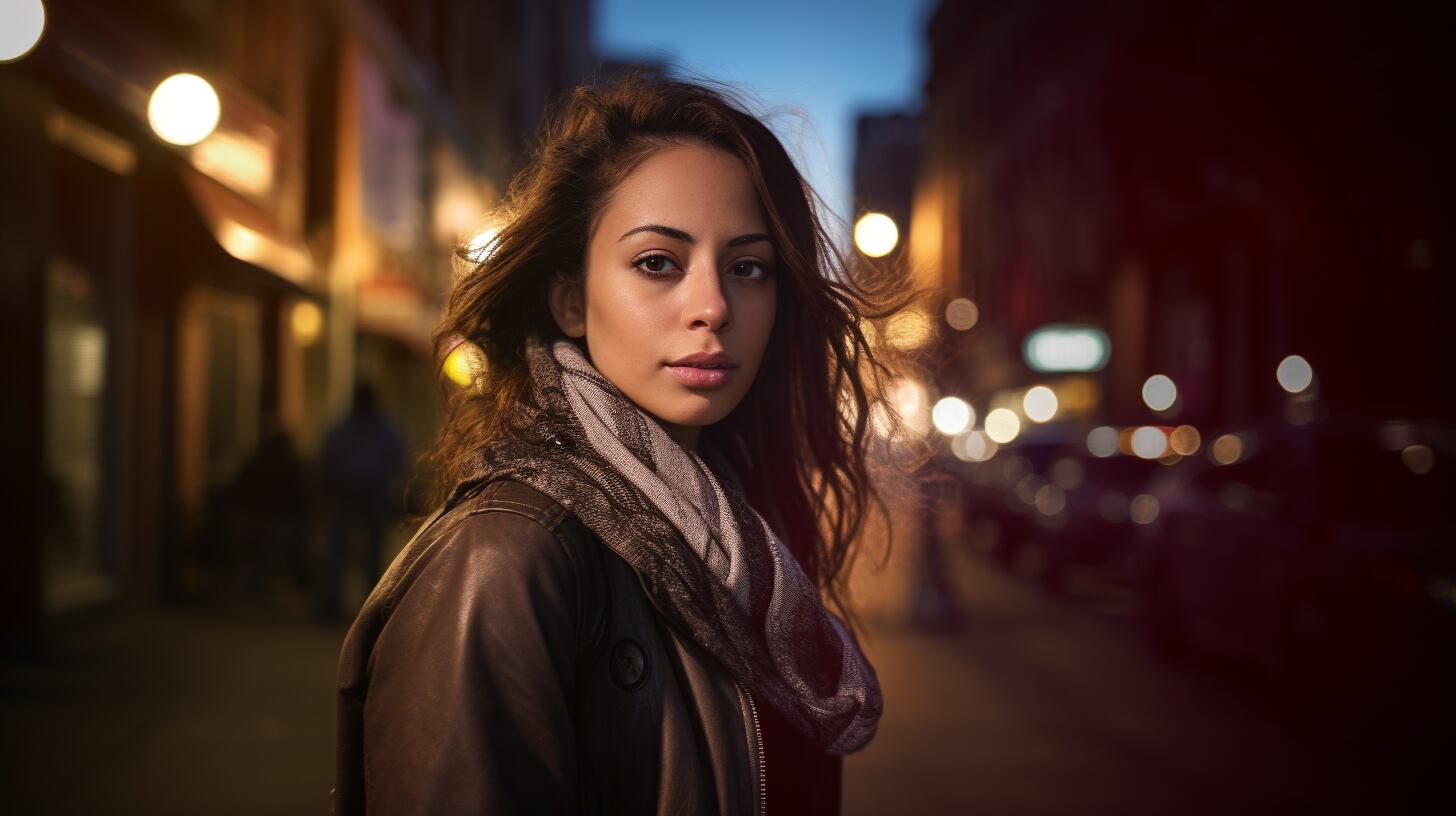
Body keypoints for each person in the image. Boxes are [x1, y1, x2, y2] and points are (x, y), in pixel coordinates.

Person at [333, 73, 919, 815]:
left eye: (747, 267)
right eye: (657, 263)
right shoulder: (505, 557)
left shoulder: (738, 538)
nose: (712, 307)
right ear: (571, 299)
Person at [317, 381, 406, 622]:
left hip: (371, 493)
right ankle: (332, 603)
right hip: (347, 493)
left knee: (371, 550)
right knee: (340, 550)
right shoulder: (348, 427)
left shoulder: (379, 428)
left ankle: (371, 605)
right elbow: (329, 459)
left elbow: (397, 459)